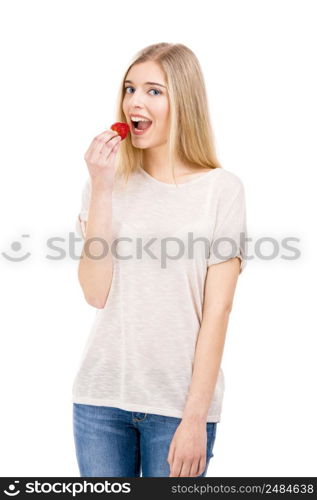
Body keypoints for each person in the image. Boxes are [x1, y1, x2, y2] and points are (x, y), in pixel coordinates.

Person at [72, 42, 248, 478]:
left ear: (182, 102)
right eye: (130, 88)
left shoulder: (221, 190)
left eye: (154, 91)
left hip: (177, 410)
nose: (135, 101)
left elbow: (218, 313)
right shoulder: (106, 184)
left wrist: (194, 418)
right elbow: (95, 293)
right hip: (100, 401)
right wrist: (103, 188)